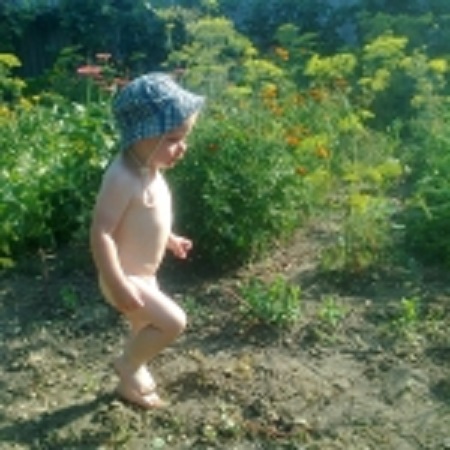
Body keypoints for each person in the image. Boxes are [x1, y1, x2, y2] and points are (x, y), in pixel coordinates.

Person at [90, 73, 204, 409]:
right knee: (172, 322)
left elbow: (145, 218)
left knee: (144, 329)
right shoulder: (121, 178)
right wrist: (117, 282)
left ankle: (131, 380)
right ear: (141, 134)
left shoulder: (149, 170)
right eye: (173, 139)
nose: (182, 147)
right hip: (125, 277)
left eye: (184, 138)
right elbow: (102, 232)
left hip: (144, 275)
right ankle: (127, 364)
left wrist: (170, 239)